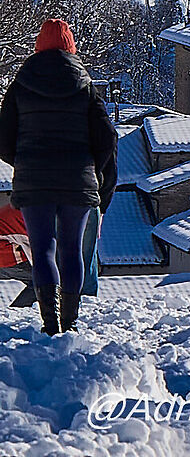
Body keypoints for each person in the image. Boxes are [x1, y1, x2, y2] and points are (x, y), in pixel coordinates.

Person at [0, 20, 117, 334]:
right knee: (71, 249)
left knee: (42, 249)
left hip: (34, 182)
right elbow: (107, 138)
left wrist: (24, 161)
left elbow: (3, 139)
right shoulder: (86, 85)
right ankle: (71, 323)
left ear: (38, 46)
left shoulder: (21, 84)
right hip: (77, 183)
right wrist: (90, 166)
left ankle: (50, 324)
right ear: (71, 47)